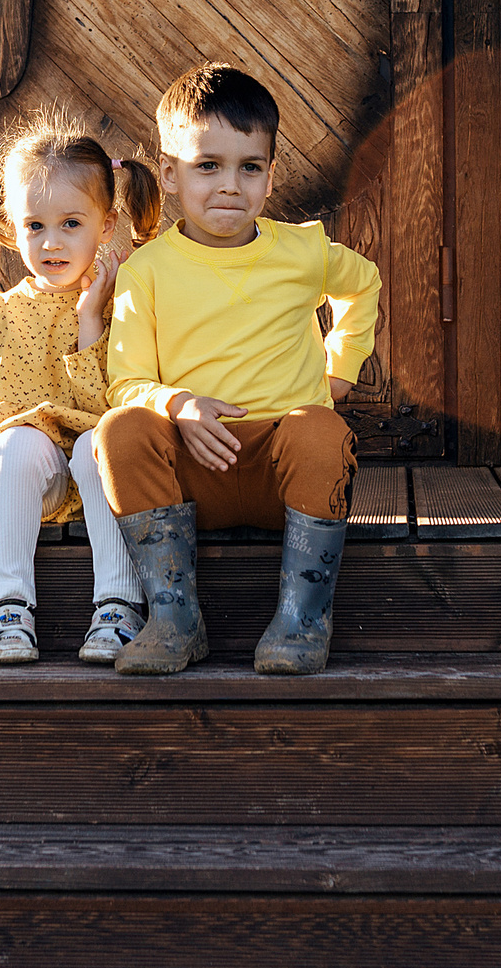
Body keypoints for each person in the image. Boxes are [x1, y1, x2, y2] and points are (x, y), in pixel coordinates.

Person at [96, 63, 379, 677]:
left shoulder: (302, 251)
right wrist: (178, 405)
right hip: (195, 475)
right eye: (208, 165)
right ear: (169, 173)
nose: (230, 185)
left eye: (249, 167)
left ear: (270, 175)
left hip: (286, 470)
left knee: (322, 430)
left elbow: (365, 285)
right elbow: (126, 381)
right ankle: (174, 617)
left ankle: (302, 620)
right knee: (119, 430)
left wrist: (343, 364)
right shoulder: (148, 273)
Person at [0, 126, 156, 665]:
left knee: (104, 441)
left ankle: (119, 604)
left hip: (105, 477)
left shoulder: (126, 305)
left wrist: (90, 316)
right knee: (13, 443)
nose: (52, 242)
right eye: (35, 226)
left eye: (72, 224)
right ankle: (7, 609)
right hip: (37, 481)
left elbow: (113, 402)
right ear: (13, 226)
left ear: (106, 224)